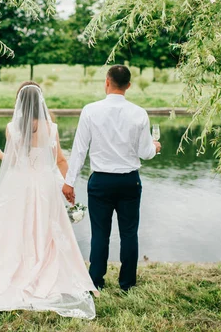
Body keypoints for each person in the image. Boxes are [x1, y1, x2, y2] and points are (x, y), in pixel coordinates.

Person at [0, 82, 99, 319]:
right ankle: (44, 269)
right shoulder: (52, 128)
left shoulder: (12, 128)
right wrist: (69, 186)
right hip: (44, 186)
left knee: (15, 228)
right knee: (45, 229)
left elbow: (15, 161)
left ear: (19, 102)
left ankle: (15, 269)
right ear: (41, 103)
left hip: (20, 186)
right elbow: (59, 159)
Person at [62, 65, 161, 292]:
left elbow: (79, 150)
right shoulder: (139, 113)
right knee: (129, 233)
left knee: (99, 234)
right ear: (128, 85)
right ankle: (127, 283)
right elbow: (145, 153)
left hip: (100, 183)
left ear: (107, 82)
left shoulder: (90, 110)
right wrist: (155, 146)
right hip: (129, 182)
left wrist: (69, 182)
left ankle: (95, 281)